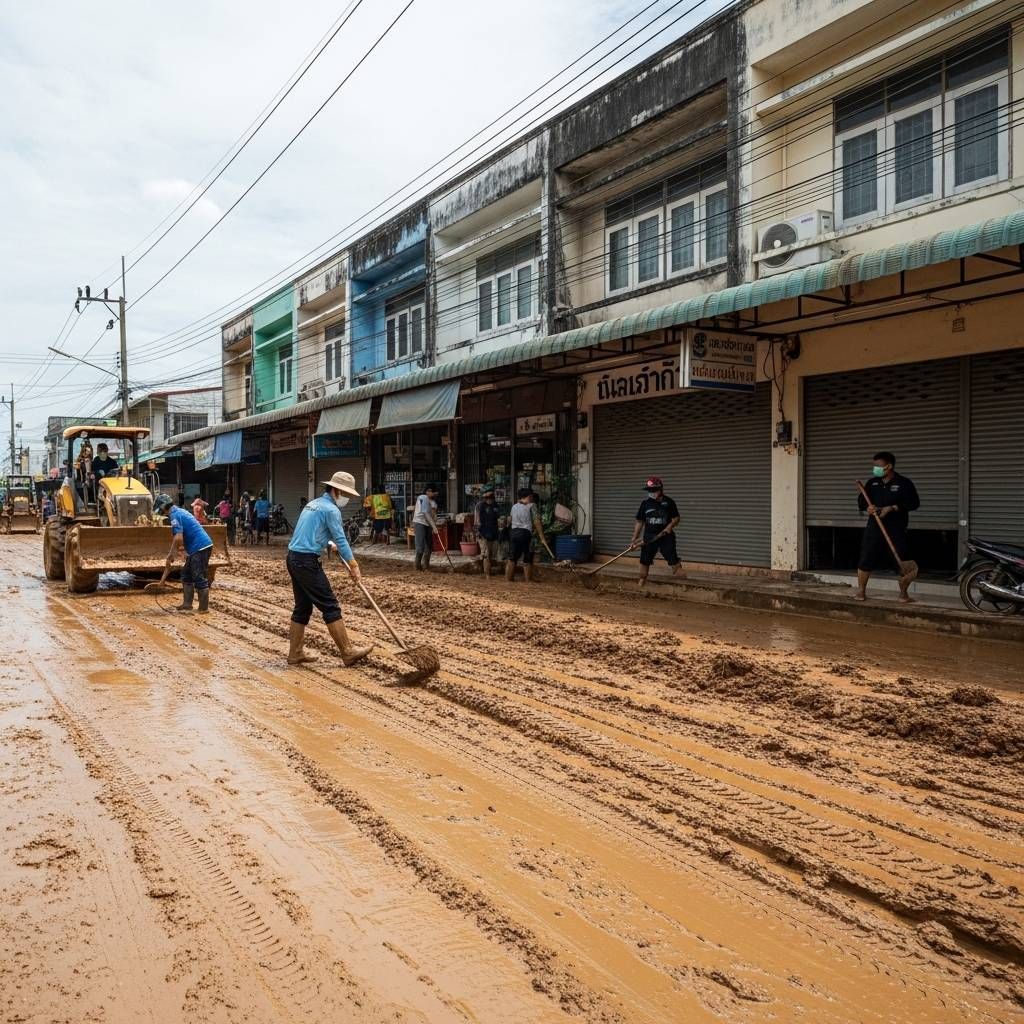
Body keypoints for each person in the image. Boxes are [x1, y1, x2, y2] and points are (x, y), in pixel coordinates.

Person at [285, 470, 374, 668]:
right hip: (306, 562)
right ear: (336, 491)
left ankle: (295, 653)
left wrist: (326, 544)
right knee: (330, 605)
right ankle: (348, 652)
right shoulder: (331, 510)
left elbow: (309, 533)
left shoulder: (313, 504)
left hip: (293, 558)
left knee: (302, 607)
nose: (348, 499)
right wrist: (354, 565)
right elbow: (341, 539)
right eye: (347, 495)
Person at [856, 451, 920, 603]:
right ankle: (860, 592)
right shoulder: (872, 483)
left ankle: (903, 594)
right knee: (866, 558)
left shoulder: (904, 483)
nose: (875, 469)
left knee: (901, 560)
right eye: (874, 466)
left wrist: (893, 507)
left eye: (878, 466)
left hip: (896, 528)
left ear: (889, 466)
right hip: (874, 527)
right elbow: (862, 501)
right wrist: (868, 508)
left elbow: (914, 503)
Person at [155, 494, 214, 614]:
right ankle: (187, 604)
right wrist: (177, 552)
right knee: (186, 575)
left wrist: (173, 553)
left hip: (200, 547)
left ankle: (203, 609)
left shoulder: (174, 515)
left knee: (198, 577)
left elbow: (178, 538)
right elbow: (179, 538)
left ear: (163, 507)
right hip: (198, 547)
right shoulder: (179, 511)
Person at [630, 476, 685, 588]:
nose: (651, 493)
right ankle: (641, 582)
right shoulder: (645, 504)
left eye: (653, 490)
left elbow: (676, 518)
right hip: (649, 537)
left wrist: (670, 526)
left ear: (660, 489)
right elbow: (639, 522)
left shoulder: (669, 502)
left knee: (673, 559)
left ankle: (685, 584)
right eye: (649, 490)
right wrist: (634, 539)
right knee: (645, 561)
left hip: (666, 537)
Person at [506, 488, 546, 582]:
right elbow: (537, 521)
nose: (532, 497)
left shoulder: (514, 506)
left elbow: (509, 520)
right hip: (525, 534)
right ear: (528, 496)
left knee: (512, 559)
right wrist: (541, 536)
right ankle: (529, 581)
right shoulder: (532, 506)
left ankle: (508, 581)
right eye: (531, 495)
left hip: (514, 533)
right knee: (527, 559)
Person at [475, 486, 501, 578]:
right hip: (483, 532)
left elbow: (499, 519)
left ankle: (488, 571)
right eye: (487, 496)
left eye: (491, 496)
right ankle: (487, 575)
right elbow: (477, 520)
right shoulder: (480, 505)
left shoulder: (496, 506)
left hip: (494, 532)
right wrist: (479, 531)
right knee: (486, 554)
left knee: (491, 554)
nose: (489, 498)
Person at [412, 484, 439, 571]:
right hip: (420, 522)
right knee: (420, 545)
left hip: (428, 524)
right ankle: (417, 566)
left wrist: (434, 523)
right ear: (428, 491)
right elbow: (425, 513)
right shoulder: (423, 497)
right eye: (433, 492)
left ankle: (426, 565)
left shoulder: (433, 503)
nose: (435, 494)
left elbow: (433, 515)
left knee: (429, 545)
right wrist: (434, 526)